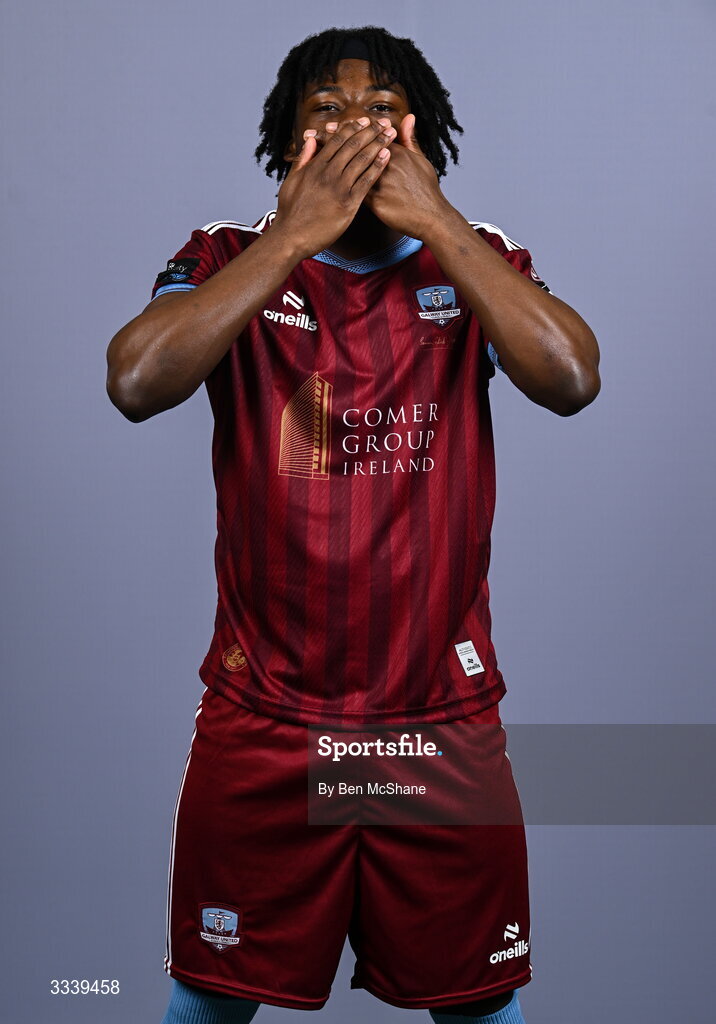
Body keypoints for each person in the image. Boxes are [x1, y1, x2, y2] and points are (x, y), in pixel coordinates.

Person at [106, 25, 600, 1024]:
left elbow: (571, 377)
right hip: (269, 723)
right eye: (322, 112)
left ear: (417, 134)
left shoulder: (479, 263)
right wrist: (293, 236)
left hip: (436, 726)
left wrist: (441, 221)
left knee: (477, 1003)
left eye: (378, 109)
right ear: (287, 141)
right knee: (206, 1000)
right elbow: (135, 380)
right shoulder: (226, 257)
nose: (351, 129)